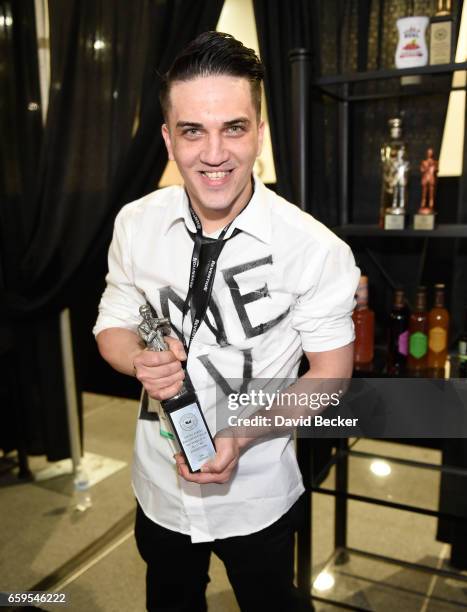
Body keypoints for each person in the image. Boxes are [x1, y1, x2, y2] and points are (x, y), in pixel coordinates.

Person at [94, 31, 359, 612]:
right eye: (193, 130)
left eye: (233, 127)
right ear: (168, 137)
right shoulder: (135, 223)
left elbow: (332, 374)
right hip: (157, 483)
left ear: (259, 133)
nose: (214, 154)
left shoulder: (315, 249)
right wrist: (136, 358)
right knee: (169, 599)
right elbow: (112, 323)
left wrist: (241, 435)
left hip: (257, 490)